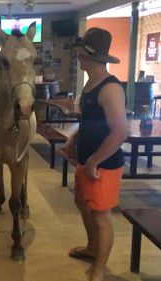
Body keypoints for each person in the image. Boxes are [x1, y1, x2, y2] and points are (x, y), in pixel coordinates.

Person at [62, 27, 127, 281]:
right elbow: (91, 120)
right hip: (88, 160)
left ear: (87, 56)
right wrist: (74, 138)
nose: (78, 57)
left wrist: (93, 162)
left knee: (101, 217)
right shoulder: (91, 83)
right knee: (83, 203)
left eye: (79, 53)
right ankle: (91, 249)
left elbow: (120, 132)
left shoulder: (110, 89)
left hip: (103, 165)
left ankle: (98, 270)